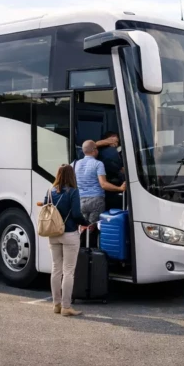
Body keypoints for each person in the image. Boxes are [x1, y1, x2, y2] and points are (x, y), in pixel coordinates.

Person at [44, 164, 89, 317]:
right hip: (69, 233)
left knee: (56, 269)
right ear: (72, 176)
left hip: (53, 233)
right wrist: (86, 222)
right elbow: (76, 213)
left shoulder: (50, 191)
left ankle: (56, 305)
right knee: (68, 271)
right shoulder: (73, 192)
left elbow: (46, 207)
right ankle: (66, 307)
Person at [74, 140, 125, 247]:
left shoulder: (75, 164)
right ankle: (92, 254)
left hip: (80, 201)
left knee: (82, 228)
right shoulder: (98, 164)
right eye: (96, 148)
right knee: (94, 229)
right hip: (96, 201)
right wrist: (120, 188)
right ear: (94, 150)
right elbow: (104, 184)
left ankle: (81, 250)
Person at [95, 131, 125, 212]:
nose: (115, 143)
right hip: (105, 188)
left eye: (117, 141)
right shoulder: (98, 151)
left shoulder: (118, 152)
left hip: (116, 184)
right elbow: (89, 146)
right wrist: (108, 141)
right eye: (113, 140)